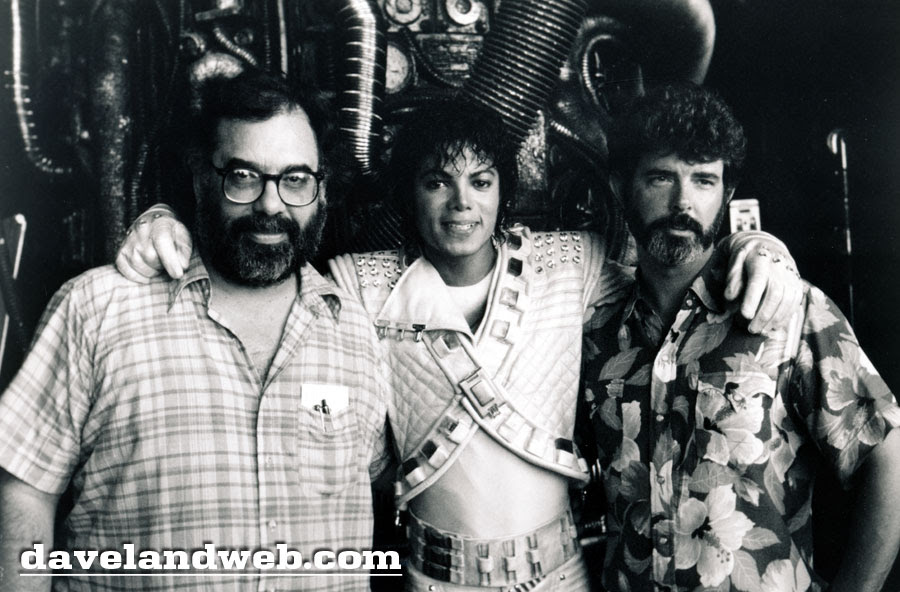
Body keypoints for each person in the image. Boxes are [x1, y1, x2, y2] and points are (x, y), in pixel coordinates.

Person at [116, 97, 803, 591]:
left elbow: (673, 261)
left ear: (504, 190)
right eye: (437, 182)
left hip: (563, 573)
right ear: (408, 195)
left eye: (480, 181)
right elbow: (259, 271)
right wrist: (162, 223)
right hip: (430, 576)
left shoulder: (573, 261)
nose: (461, 204)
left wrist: (760, 246)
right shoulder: (359, 281)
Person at [0, 69, 392, 592]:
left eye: (296, 179)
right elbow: (25, 490)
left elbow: (378, 486)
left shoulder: (354, 331)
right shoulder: (97, 308)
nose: (271, 204)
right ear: (201, 178)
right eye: (244, 176)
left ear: (322, 192)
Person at [579, 82, 900, 591]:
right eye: (661, 177)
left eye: (703, 180)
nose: (683, 202)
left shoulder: (789, 312)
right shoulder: (596, 331)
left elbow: (887, 455)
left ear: (726, 195)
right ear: (621, 187)